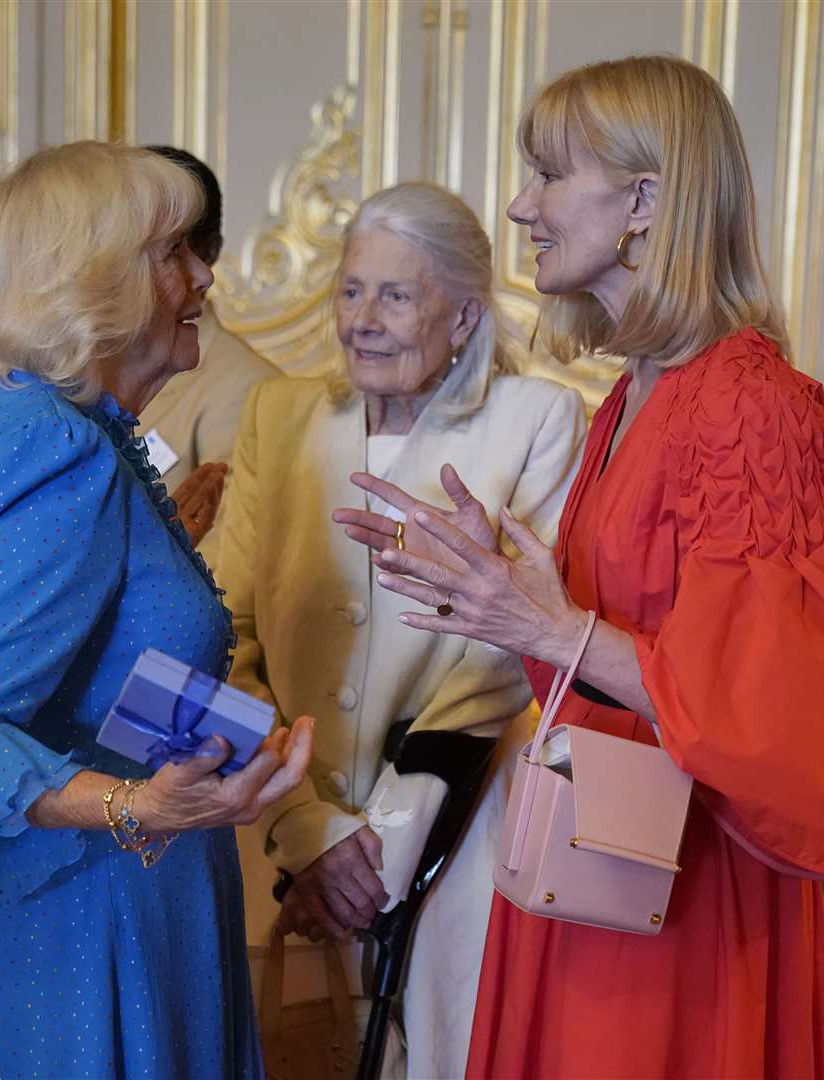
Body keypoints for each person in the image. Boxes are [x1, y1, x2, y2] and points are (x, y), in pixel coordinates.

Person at [340, 57, 824, 1077]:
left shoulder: (751, 401)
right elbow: (611, 658)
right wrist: (489, 592)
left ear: (645, 199)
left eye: (547, 173)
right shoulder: (635, 392)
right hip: (593, 852)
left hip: (684, 889)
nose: (518, 205)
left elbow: (765, 711)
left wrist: (547, 626)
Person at [0, 141, 314, 1080]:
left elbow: (88, 653)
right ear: (99, 280)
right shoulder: (56, 448)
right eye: (175, 253)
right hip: (80, 923)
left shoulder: (55, 427)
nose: (206, 274)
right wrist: (138, 803)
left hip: (98, 898)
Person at [221, 181, 586, 1079]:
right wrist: (307, 829)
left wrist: (379, 841)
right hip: (273, 825)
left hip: (454, 834)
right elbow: (220, 632)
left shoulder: (535, 420)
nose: (363, 321)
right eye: (351, 290)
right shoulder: (279, 417)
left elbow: (508, 652)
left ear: (463, 316)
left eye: (396, 295)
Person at [136, 145, 277, 556]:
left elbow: (227, 567)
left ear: (209, 253)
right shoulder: (89, 367)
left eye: (169, 247)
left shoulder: (251, 389)